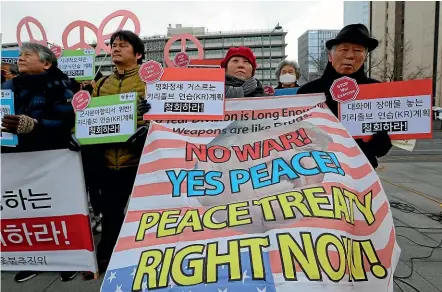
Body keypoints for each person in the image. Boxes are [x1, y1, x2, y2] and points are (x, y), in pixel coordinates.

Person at [1, 43, 77, 282]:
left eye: (27, 55)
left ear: (46, 63)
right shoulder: (8, 86)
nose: (21, 58)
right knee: (27, 212)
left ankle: (70, 261)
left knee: (59, 213)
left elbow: (67, 121)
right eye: (20, 54)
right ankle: (32, 258)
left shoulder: (59, 85)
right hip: (18, 160)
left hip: (52, 159)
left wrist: (35, 125)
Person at [82, 30, 151, 279]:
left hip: (143, 162)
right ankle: (105, 258)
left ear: (138, 53)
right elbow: (87, 121)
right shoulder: (99, 85)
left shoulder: (152, 83)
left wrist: (150, 119)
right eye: (113, 45)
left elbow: (168, 119)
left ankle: (146, 260)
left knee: (147, 216)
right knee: (111, 214)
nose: (116, 49)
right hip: (110, 163)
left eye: (123, 45)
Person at [297, 23, 392, 169]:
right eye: (344, 49)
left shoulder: (377, 90)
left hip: (362, 169)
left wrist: (377, 146)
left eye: (358, 50)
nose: (350, 55)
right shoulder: (308, 91)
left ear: (365, 57)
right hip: (318, 167)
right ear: (331, 55)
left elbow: (392, 131)